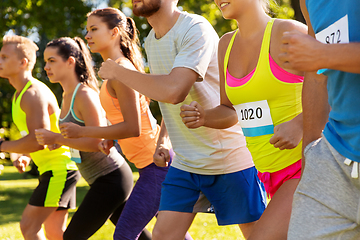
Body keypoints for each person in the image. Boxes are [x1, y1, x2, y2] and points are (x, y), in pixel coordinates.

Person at [97, 1, 267, 239]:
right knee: (163, 236)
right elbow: (168, 95)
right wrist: (163, 140)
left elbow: (175, 90)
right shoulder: (151, 40)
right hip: (185, 163)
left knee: (260, 235)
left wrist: (118, 72)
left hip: (227, 158)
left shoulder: (195, 28)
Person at [57, 8, 192, 240]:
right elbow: (126, 119)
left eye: (94, 29)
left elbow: (133, 127)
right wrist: (111, 137)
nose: (87, 35)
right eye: (87, 29)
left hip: (158, 167)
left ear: (114, 33)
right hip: (151, 165)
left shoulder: (121, 71)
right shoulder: (114, 71)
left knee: (125, 234)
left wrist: (84, 131)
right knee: (174, 235)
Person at [179, 0, 308, 239]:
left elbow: (335, 84)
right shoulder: (225, 44)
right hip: (266, 172)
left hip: (304, 164)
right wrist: (205, 116)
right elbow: (230, 110)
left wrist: (301, 124)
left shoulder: (287, 32)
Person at [34, 36, 144, 240]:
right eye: (45, 61)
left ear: (70, 62)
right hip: (100, 179)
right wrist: (57, 141)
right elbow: (77, 139)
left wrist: (57, 138)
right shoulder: (67, 95)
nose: (46, 66)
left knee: (72, 237)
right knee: (139, 237)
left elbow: (96, 142)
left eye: (52, 61)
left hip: (112, 177)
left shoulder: (84, 95)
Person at [278, 0, 360, 239]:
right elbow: (316, 76)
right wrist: (310, 156)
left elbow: (318, 56)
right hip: (333, 157)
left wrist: (322, 53)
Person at [0, 35, 80, 240]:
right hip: (53, 170)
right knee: (54, 234)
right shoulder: (20, 94)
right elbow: (36, 136)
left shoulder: (33, 93)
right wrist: (25, 154)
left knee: (28, 227)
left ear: (22, 63)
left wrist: (3, 145)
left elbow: (39, 141)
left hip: (59, 170)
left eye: (4, 57)